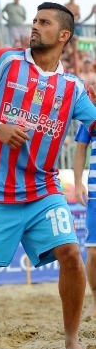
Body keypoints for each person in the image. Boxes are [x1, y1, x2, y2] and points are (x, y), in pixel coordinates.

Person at [0, 2, 96, 349]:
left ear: (63, 36)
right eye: (33, 20)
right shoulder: (5, 61)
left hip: (43, 191)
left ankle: (71, 341)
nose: (34, 26)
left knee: (72, 257)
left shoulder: (73, 88)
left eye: (43, 22)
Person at [74, 123, 96, 319]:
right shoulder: (89, 115)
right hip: (95, 194)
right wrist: (78, 182)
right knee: (93, 252)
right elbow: (81, 148)